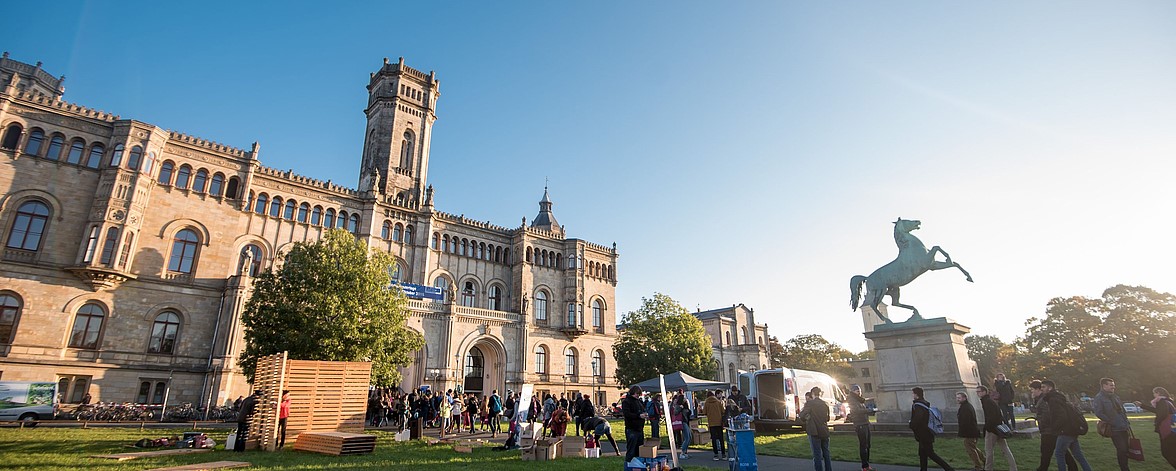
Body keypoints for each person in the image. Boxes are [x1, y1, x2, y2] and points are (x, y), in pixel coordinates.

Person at [1038, 380, 1093, 471]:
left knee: (1059, 454)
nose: (1042, 389)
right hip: (1072, 430)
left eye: (1043, 387)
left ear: (1050, 388)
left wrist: (1055, 428)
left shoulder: (1053, 400)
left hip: (1065, 431)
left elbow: (1060, 416)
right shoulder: (1060, 398)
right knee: (1078, 455)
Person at [1029, 380, 1078, 471]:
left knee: (1047, 451)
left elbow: (1048, 414)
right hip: (1050, 429)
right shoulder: (1040, 399)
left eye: (1032, 389)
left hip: (1048, 430)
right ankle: (1072, 467)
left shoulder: (1044, 400)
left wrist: (1041, 420)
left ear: (1038, 389)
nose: (1031, 392)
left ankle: (1043, 468)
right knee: (1059, 450)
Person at [909, 387, 954, 471]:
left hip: (923, 432)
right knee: (922, 453)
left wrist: (911, 424)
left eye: (913, 393)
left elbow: (918, 418)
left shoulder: (918, 405)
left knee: (930, 453)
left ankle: (948, 468)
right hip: (928, 431)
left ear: (916, 394)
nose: (912, 395)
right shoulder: (925, 404)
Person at [1093, 377, 1132, 471]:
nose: (1113, 387)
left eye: (1113, 385)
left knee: (1126, 449)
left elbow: (1122, 410)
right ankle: (1124, 468)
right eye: (1111, 385)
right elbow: (1098, 412)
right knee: (1121, 449)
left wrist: (1126, 422)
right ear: (1104, 386)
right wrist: (1111, 421)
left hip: (1124, 427)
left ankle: (1125, 466)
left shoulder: (1115, 396)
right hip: (1114, 429)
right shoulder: (1099, 398)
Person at [1134, 386, 1176, 468]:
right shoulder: (1169, 401)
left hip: (1166, 431)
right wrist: (1142, 405)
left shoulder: (1161, 401)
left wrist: (1157, 423)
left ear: (1158, 393)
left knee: (1166, 453)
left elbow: (1162, 414)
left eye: (1154, 393)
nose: (1153, 395)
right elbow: (1158, 411)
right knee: (1172, 451)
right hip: (1173, 429)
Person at [978, 386, 1017, 471]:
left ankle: (988, 468)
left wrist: (988, 428)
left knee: (989, 451)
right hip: (998, 428)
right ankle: (1013, 468)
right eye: (977, 392)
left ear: (985, 392)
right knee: (1005, 449)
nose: (978, 393)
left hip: (992, 429)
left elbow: (990, 417)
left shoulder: (987, 402)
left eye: (979, 391)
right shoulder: (990, 401)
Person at [800, 386, 832, 471]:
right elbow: (828, 418)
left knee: (817, 455)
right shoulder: (825, 404)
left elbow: (801, 415)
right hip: (824, 430)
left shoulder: (810, 404)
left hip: (814, 431)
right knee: (826, 454)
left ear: (813, 394)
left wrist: (807, 418)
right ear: (820, 393)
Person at [848, 385, 875, 471]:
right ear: (852, 392)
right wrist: (868, 410)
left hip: (865, 423)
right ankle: (865, 466)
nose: (859, 392)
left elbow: (862, 410)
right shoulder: (852, 400)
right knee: (863, 445)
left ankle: (867, 465)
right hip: (860, 424)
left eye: (859, 390)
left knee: (868, 445)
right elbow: (856, 411)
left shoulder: (860, 400)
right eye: (856, 391)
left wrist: (871, 411)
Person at [957, 392, 984, 471]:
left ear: (964, 398)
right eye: (957, 397)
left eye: (959, 398)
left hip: (970, 432)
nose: (957, 399)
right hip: (971, 431)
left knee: (970, 450)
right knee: (973, 447)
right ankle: (984, 460)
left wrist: (963, 432)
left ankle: (978, 466)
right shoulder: (965, 406)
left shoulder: (966, 407)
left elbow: (966, 421)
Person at [622, 386, 649, 464]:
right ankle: (627, 465)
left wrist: (644, 414)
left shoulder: (638, 401)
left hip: (639, 429)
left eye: (639, 394)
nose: (638, 395)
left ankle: (637, 466)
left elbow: (641, 410)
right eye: (637, 393)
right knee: (631, 451)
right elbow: (627, 414)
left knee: (639, 451)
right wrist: (639, 415)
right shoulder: (627, 402)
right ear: (632, 392)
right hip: (631, 428)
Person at [704, 389, 727, 461]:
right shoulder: (718, 402)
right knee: (721, 439)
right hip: (719, 422)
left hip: (711, 423)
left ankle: (716, 455)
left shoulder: (706, 403)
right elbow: (723, 411)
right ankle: (723, 454)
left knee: (714, 439)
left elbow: (704, 412)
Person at [671, 391, 692, 459]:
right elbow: (675, 412)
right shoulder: (678, 406)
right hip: (682, 422)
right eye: (684, 398)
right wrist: (681, 407)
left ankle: (685, 451)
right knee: (687, 437)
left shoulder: (685, 405)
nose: (685, 399)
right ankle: (682, 452)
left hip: (685, 421)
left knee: (689, 437)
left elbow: (688, 412)